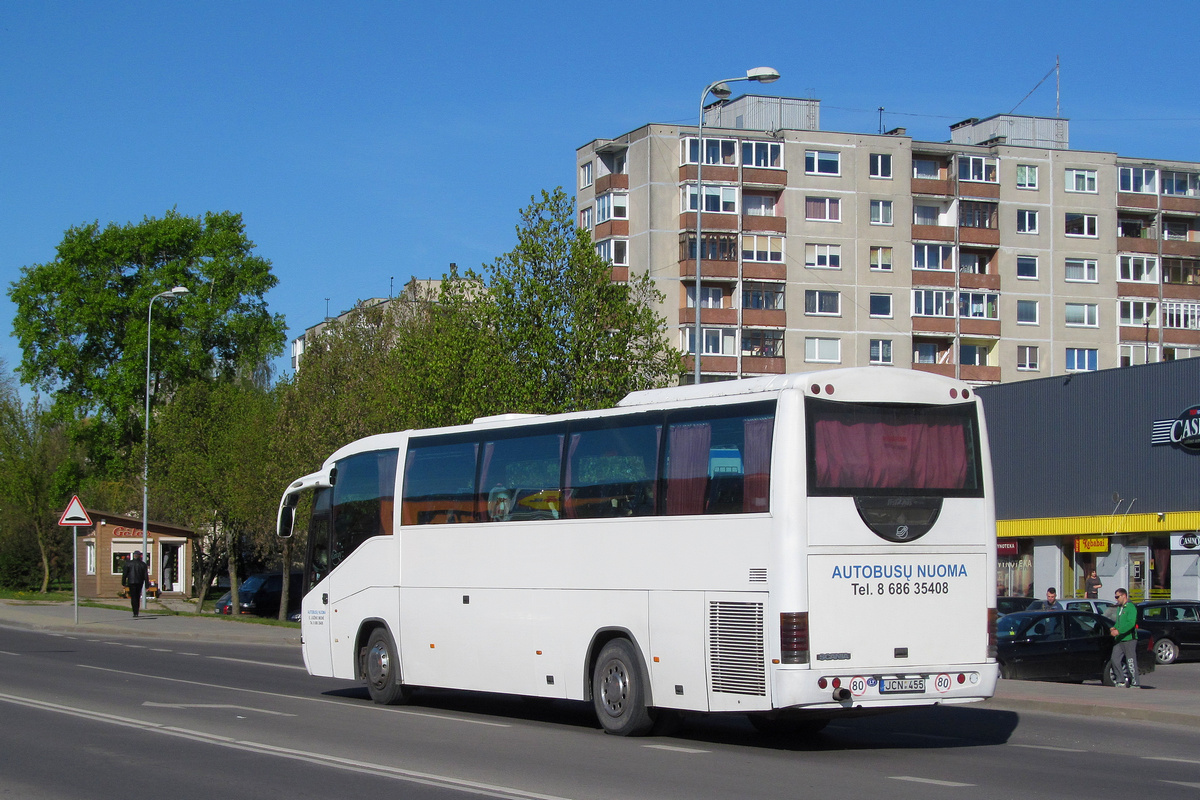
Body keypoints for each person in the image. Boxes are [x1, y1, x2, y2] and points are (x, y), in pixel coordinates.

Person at [1108, 588, 1140, 688]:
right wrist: (1114, 628)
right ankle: (1120, 680)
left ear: (1124, 596)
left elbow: (1131, 623)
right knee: (1115, 659)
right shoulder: (1119, 608)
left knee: (1130, 661)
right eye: (1115, 597)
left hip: (1129, 639)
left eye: (1117, 597)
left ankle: (1135, 683)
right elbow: (1119, 622)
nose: (1116, 599)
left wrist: (1119, 631)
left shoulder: (1130, 607)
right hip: (1120, 639)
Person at [121, 550, 149, 618]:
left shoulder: (128, 563)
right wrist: (147, 585)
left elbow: (124, 574)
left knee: (133, 597)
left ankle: (134, 612)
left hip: (131, 582)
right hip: (139, 582)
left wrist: (123, 582)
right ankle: (136, 611)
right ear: (139, 556)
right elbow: (145, 575)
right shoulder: (143, 564)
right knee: (137, 596)